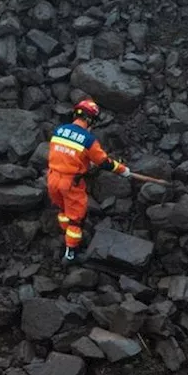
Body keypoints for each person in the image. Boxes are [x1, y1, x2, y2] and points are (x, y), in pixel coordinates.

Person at [46, 99, 132, 263]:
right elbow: (104, 162)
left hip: (52, 177)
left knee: (63, 208)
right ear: (91, 119)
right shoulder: (87, 140)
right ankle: (71, 253)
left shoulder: (59, 131)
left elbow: (64, 154)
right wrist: (124, 171)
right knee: (77, 219)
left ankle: (64, 231)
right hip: (71, 182)